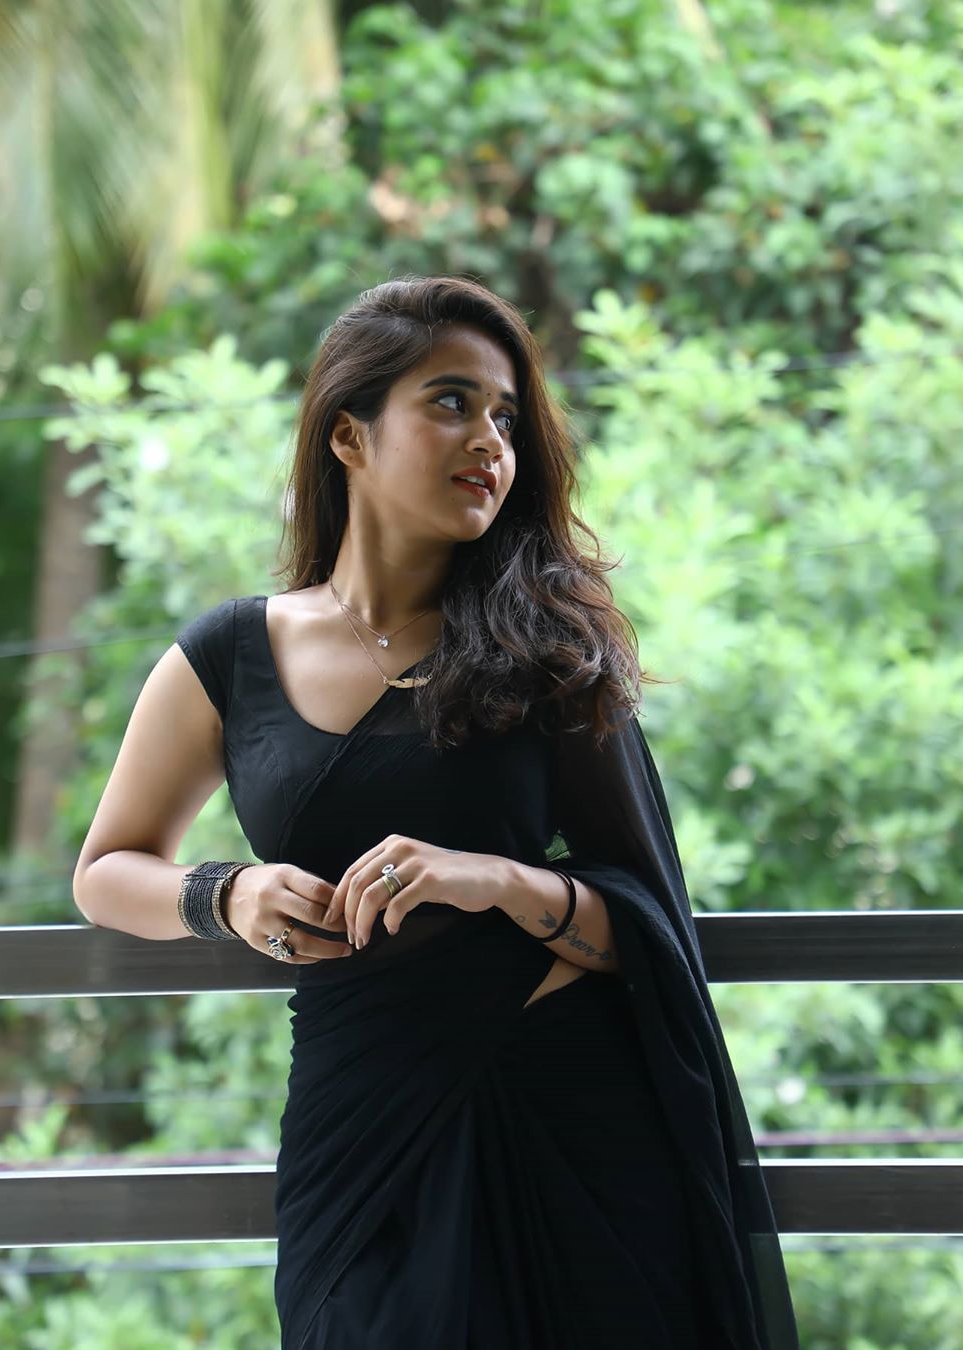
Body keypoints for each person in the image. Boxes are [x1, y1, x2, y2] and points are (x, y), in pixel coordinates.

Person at [72, 275, 800, 1348]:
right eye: (451, 402)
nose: (490, 441)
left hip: (568, 1119)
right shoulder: (230, 656)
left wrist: (494, 878)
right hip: (357, 1132)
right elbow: (106, 870)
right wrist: (226, 893)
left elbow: (646, 921)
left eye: (505, 416)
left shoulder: (552, 653)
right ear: (348, 436)